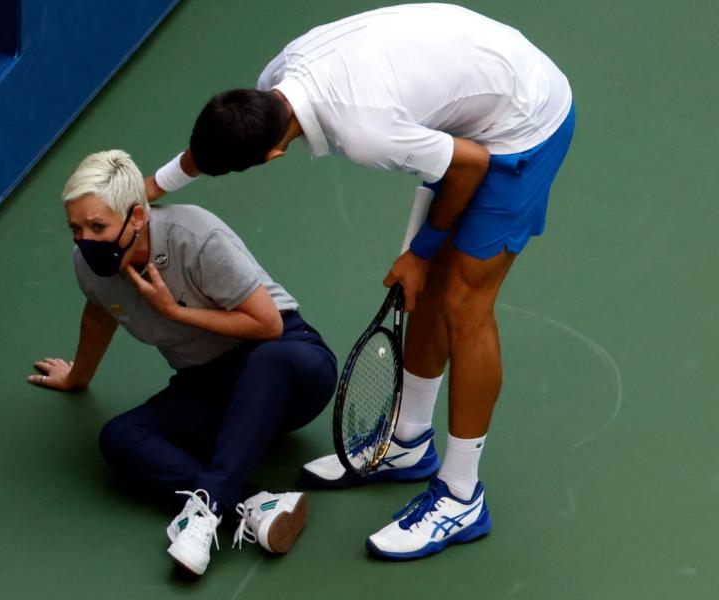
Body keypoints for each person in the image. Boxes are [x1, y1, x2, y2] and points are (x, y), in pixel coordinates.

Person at [142, 4, 576, 560]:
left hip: (521, 120)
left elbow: (468, 165)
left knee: (463, 304)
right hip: (467, 89)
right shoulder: (274, 84)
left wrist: (420, 252)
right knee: (425, 293)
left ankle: (462, 495)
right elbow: (212, 152)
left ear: (274, 154)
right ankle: (408, 441)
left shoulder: (366, 133)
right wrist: (152, 186)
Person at [28, 150, 337, 576]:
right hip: (210, 384)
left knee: (269, 362)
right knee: (119, 437)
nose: (86, 240)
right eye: (76, 228)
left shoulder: (195, 236)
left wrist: (176, 313)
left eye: (97, 226)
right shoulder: (90, 265)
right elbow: (99, 314)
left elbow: (267, 325)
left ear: (136, 217)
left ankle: (207, 509)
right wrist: (77, 377)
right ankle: (254, 503)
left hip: (290, 366)